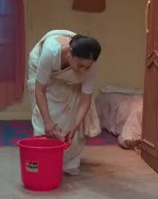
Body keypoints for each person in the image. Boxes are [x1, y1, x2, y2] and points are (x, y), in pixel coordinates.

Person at [27, 30, 102, 176]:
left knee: (70, 110)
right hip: (40, 68)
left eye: (87, 67)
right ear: (70, 53)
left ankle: (67, 162)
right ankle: (44, 158)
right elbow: (40, 90)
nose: (83, 71)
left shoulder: (91, 63)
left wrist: (75, 127)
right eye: (80, 65)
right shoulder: (50, 52)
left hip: (68, 77)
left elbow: (85, 99)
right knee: (46, 116)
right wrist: (48, 122)